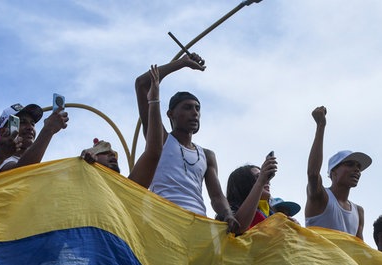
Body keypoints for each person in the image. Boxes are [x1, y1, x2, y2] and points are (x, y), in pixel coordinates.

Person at [134, 54, 238, 233]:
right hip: (164, 221)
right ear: (170, 114)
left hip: (197, 225)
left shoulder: (207, 155)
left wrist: (228, 214)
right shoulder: (161, 140)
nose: (195, 113)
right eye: (187, 108)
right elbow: (142, 84)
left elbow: (216, 196)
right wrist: (180, 64)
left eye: (197, 108)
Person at [82, 64, 164, 189]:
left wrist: (154, 100)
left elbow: (154, 152)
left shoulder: (127, 190)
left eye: (113, 154)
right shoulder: (79, 188)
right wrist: (83, 165)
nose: (112, 155)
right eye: (104, 152)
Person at [305, 106, 371, 239]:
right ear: (333, 172)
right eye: (350, 164)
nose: (356, 169)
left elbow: (359, 249)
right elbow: (313, 174)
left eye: (358, 166)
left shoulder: (358, 212)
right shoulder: (321, 196)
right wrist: (321, 126)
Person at [0, 103, 68, 173]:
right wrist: (48, 130)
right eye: (22, 122)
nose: (30, 127)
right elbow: (20, 174)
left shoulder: (38, 163)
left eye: (32, 124)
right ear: (3, 131)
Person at [225, 155, 279, 235]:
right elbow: (237, 228)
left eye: (266, 177)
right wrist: (260, 182)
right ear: (243, 185)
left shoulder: (273, 215)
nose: (266, 181)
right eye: (258, 177)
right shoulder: (228, 211)